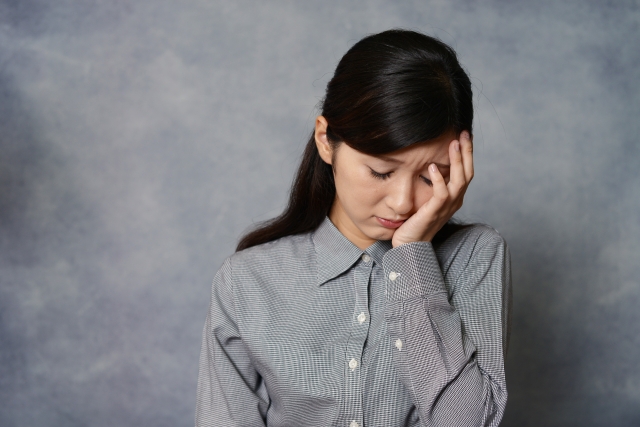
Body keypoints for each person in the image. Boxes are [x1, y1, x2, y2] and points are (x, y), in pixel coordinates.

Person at [195, 29, 512, 427]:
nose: (403, 202)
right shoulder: (246, 282)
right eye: (381, 171)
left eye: (431, 176)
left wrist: (412, 254)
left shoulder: (475, 256)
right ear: (325, 140)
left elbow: (467, 422)